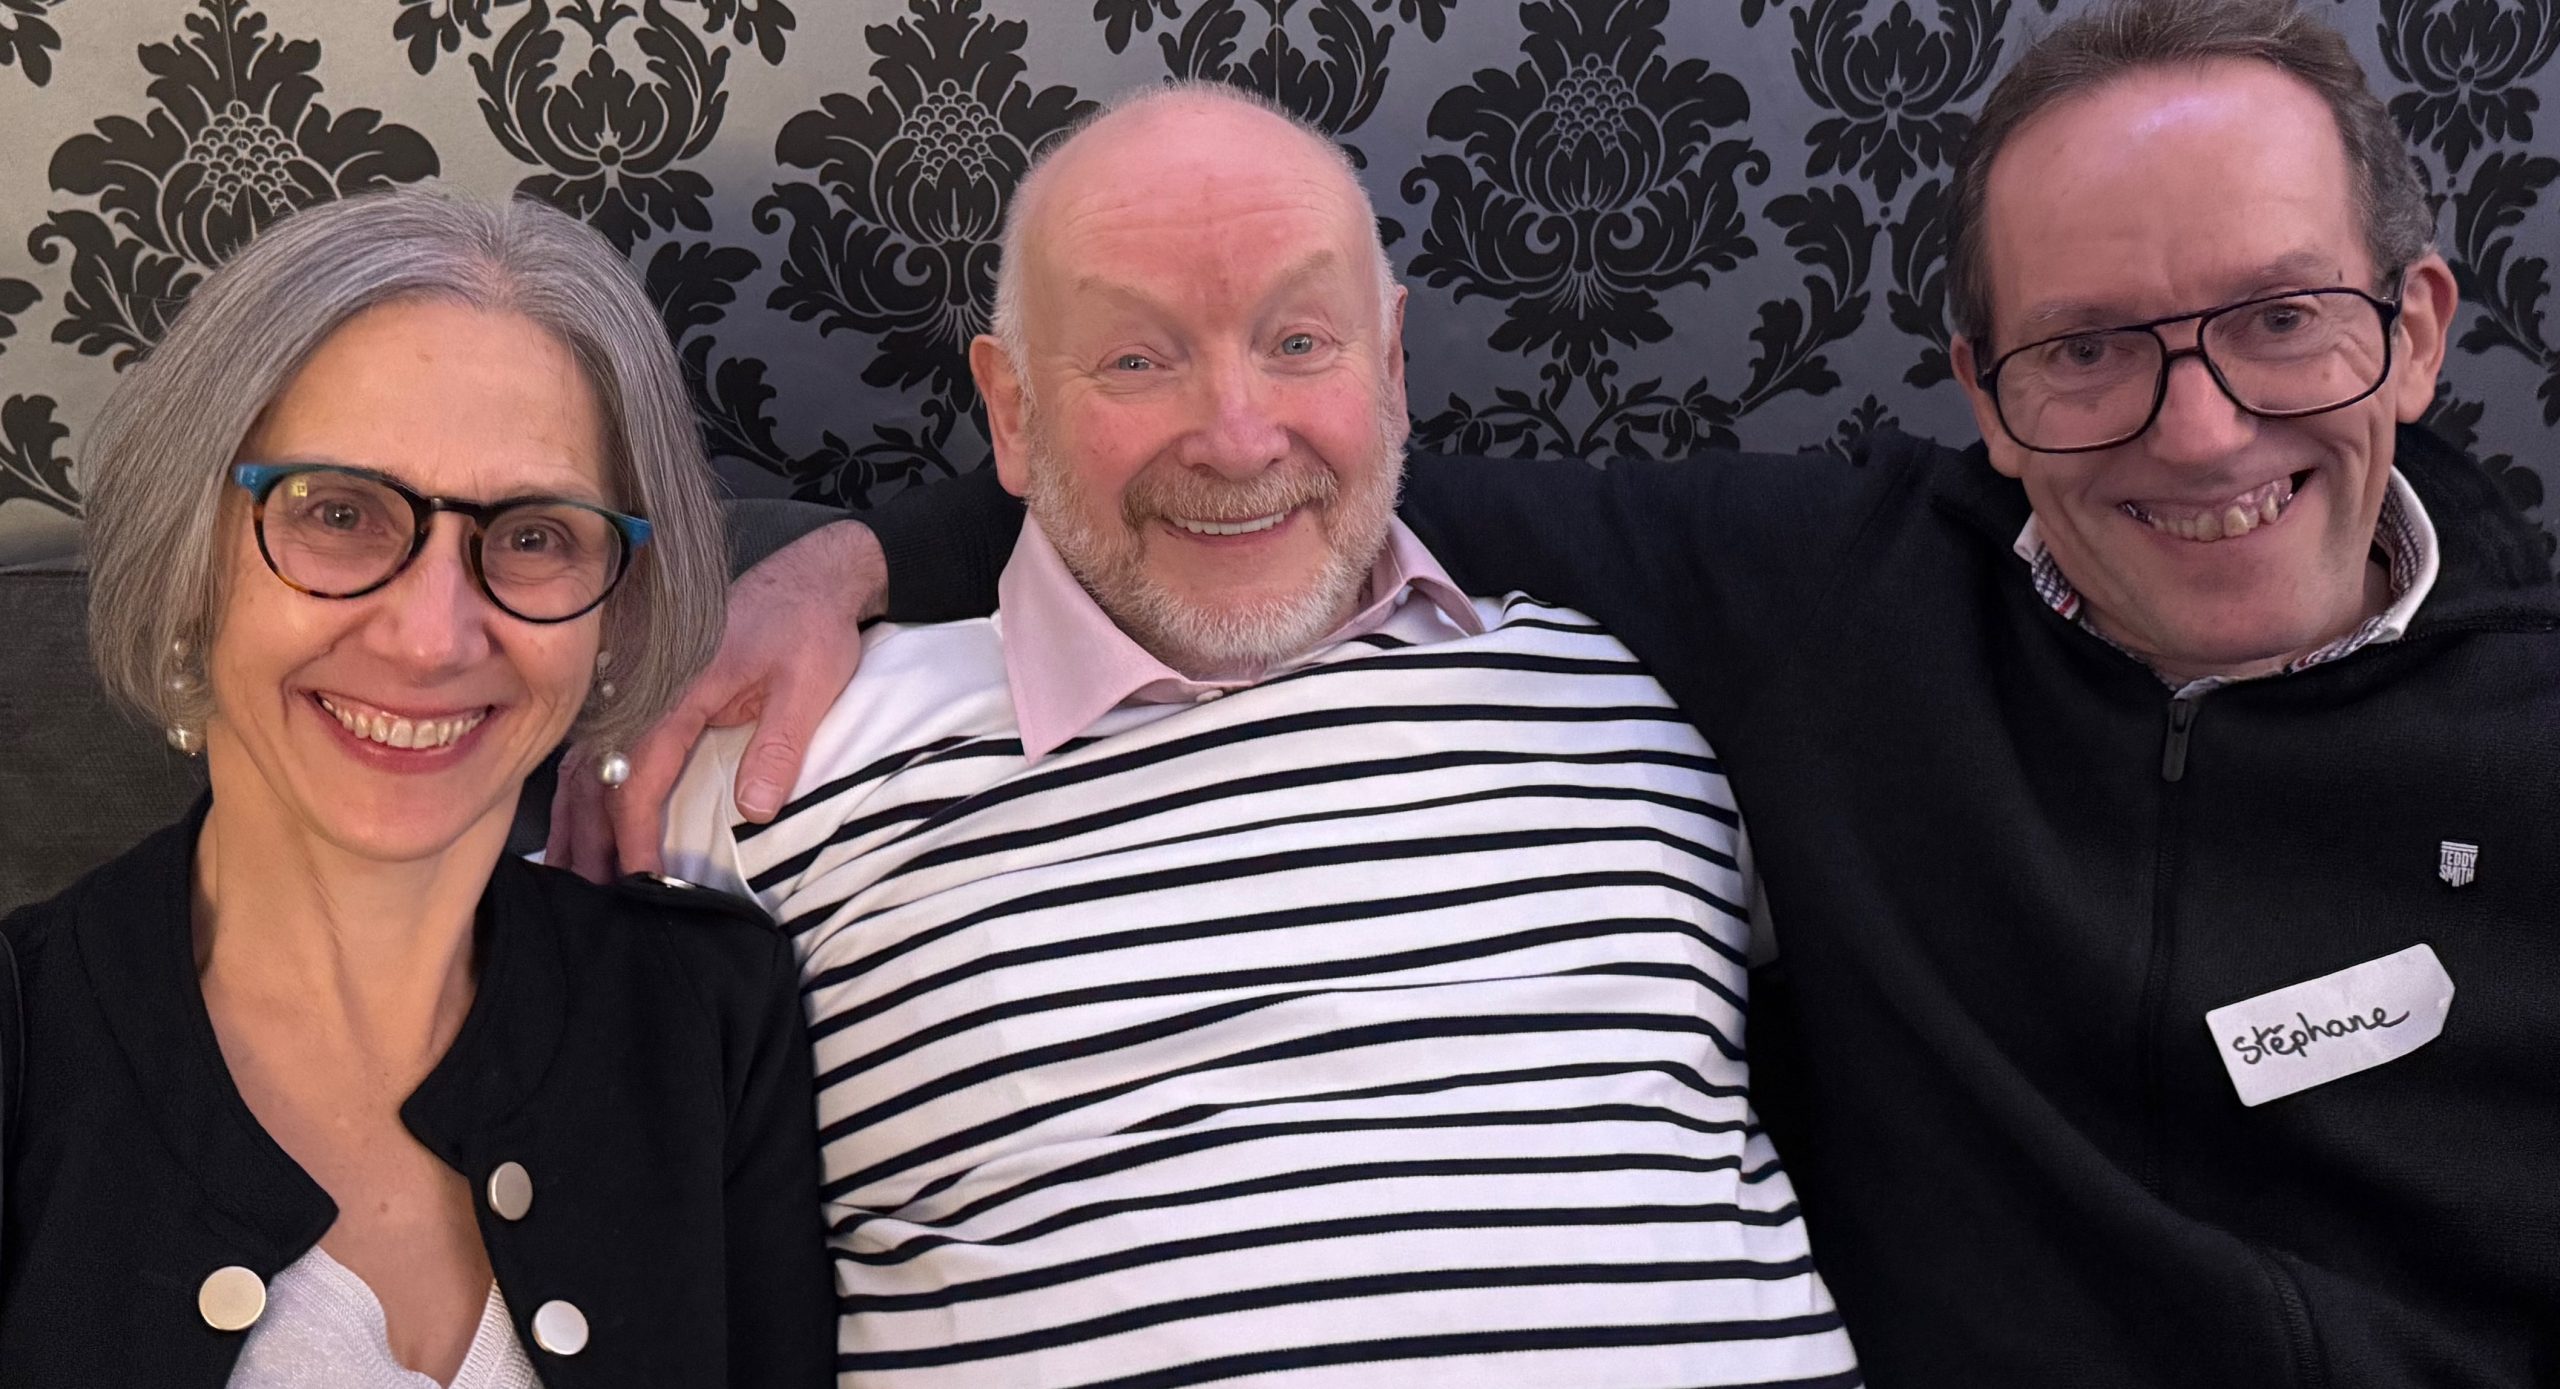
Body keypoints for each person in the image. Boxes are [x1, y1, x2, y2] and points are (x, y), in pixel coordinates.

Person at [561, 0, 2560, 1383]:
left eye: (2281, 322)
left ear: (2409, 332)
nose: (2195, 423)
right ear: (1980, 385)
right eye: (2089, 349)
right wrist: (814, 554)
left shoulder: (1630, 706)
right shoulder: (1817, 611)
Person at [650, 84, 1861, 1387]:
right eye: (1136, 358)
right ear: (1009, 412)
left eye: (1298, 342)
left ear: (1391, 366)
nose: (1237, 439)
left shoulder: (1642, 693)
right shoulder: (785, 753)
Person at [0, 186, 834, 1386]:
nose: (435, 637)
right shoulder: (27, 1045)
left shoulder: (709, 1014)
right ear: (191, 563)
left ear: (617, 613)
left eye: (537, 535)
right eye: (338, 513)